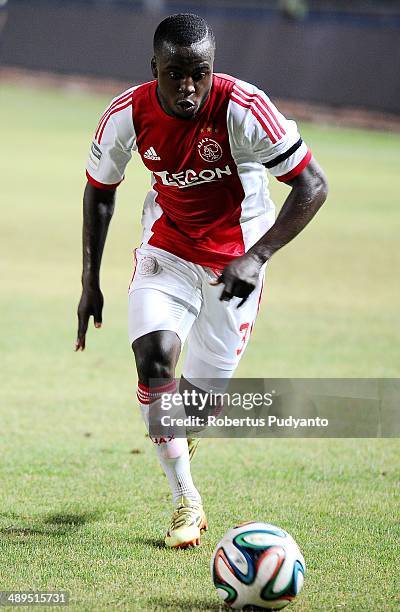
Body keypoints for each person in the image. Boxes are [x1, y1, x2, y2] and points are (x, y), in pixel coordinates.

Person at [76, 13, 328, 549]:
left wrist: (256, 258)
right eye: (176, 73)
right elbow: (100, 191)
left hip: (235, 266)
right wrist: (89, 282)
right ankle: (185, 500)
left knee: (193, 407)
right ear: (155, 69)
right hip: (166, 251)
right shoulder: (127, 115)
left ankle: (183, 435)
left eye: (201, 72)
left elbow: (312, 185)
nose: (189, 85)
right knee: (155, 359)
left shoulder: (244, 108)